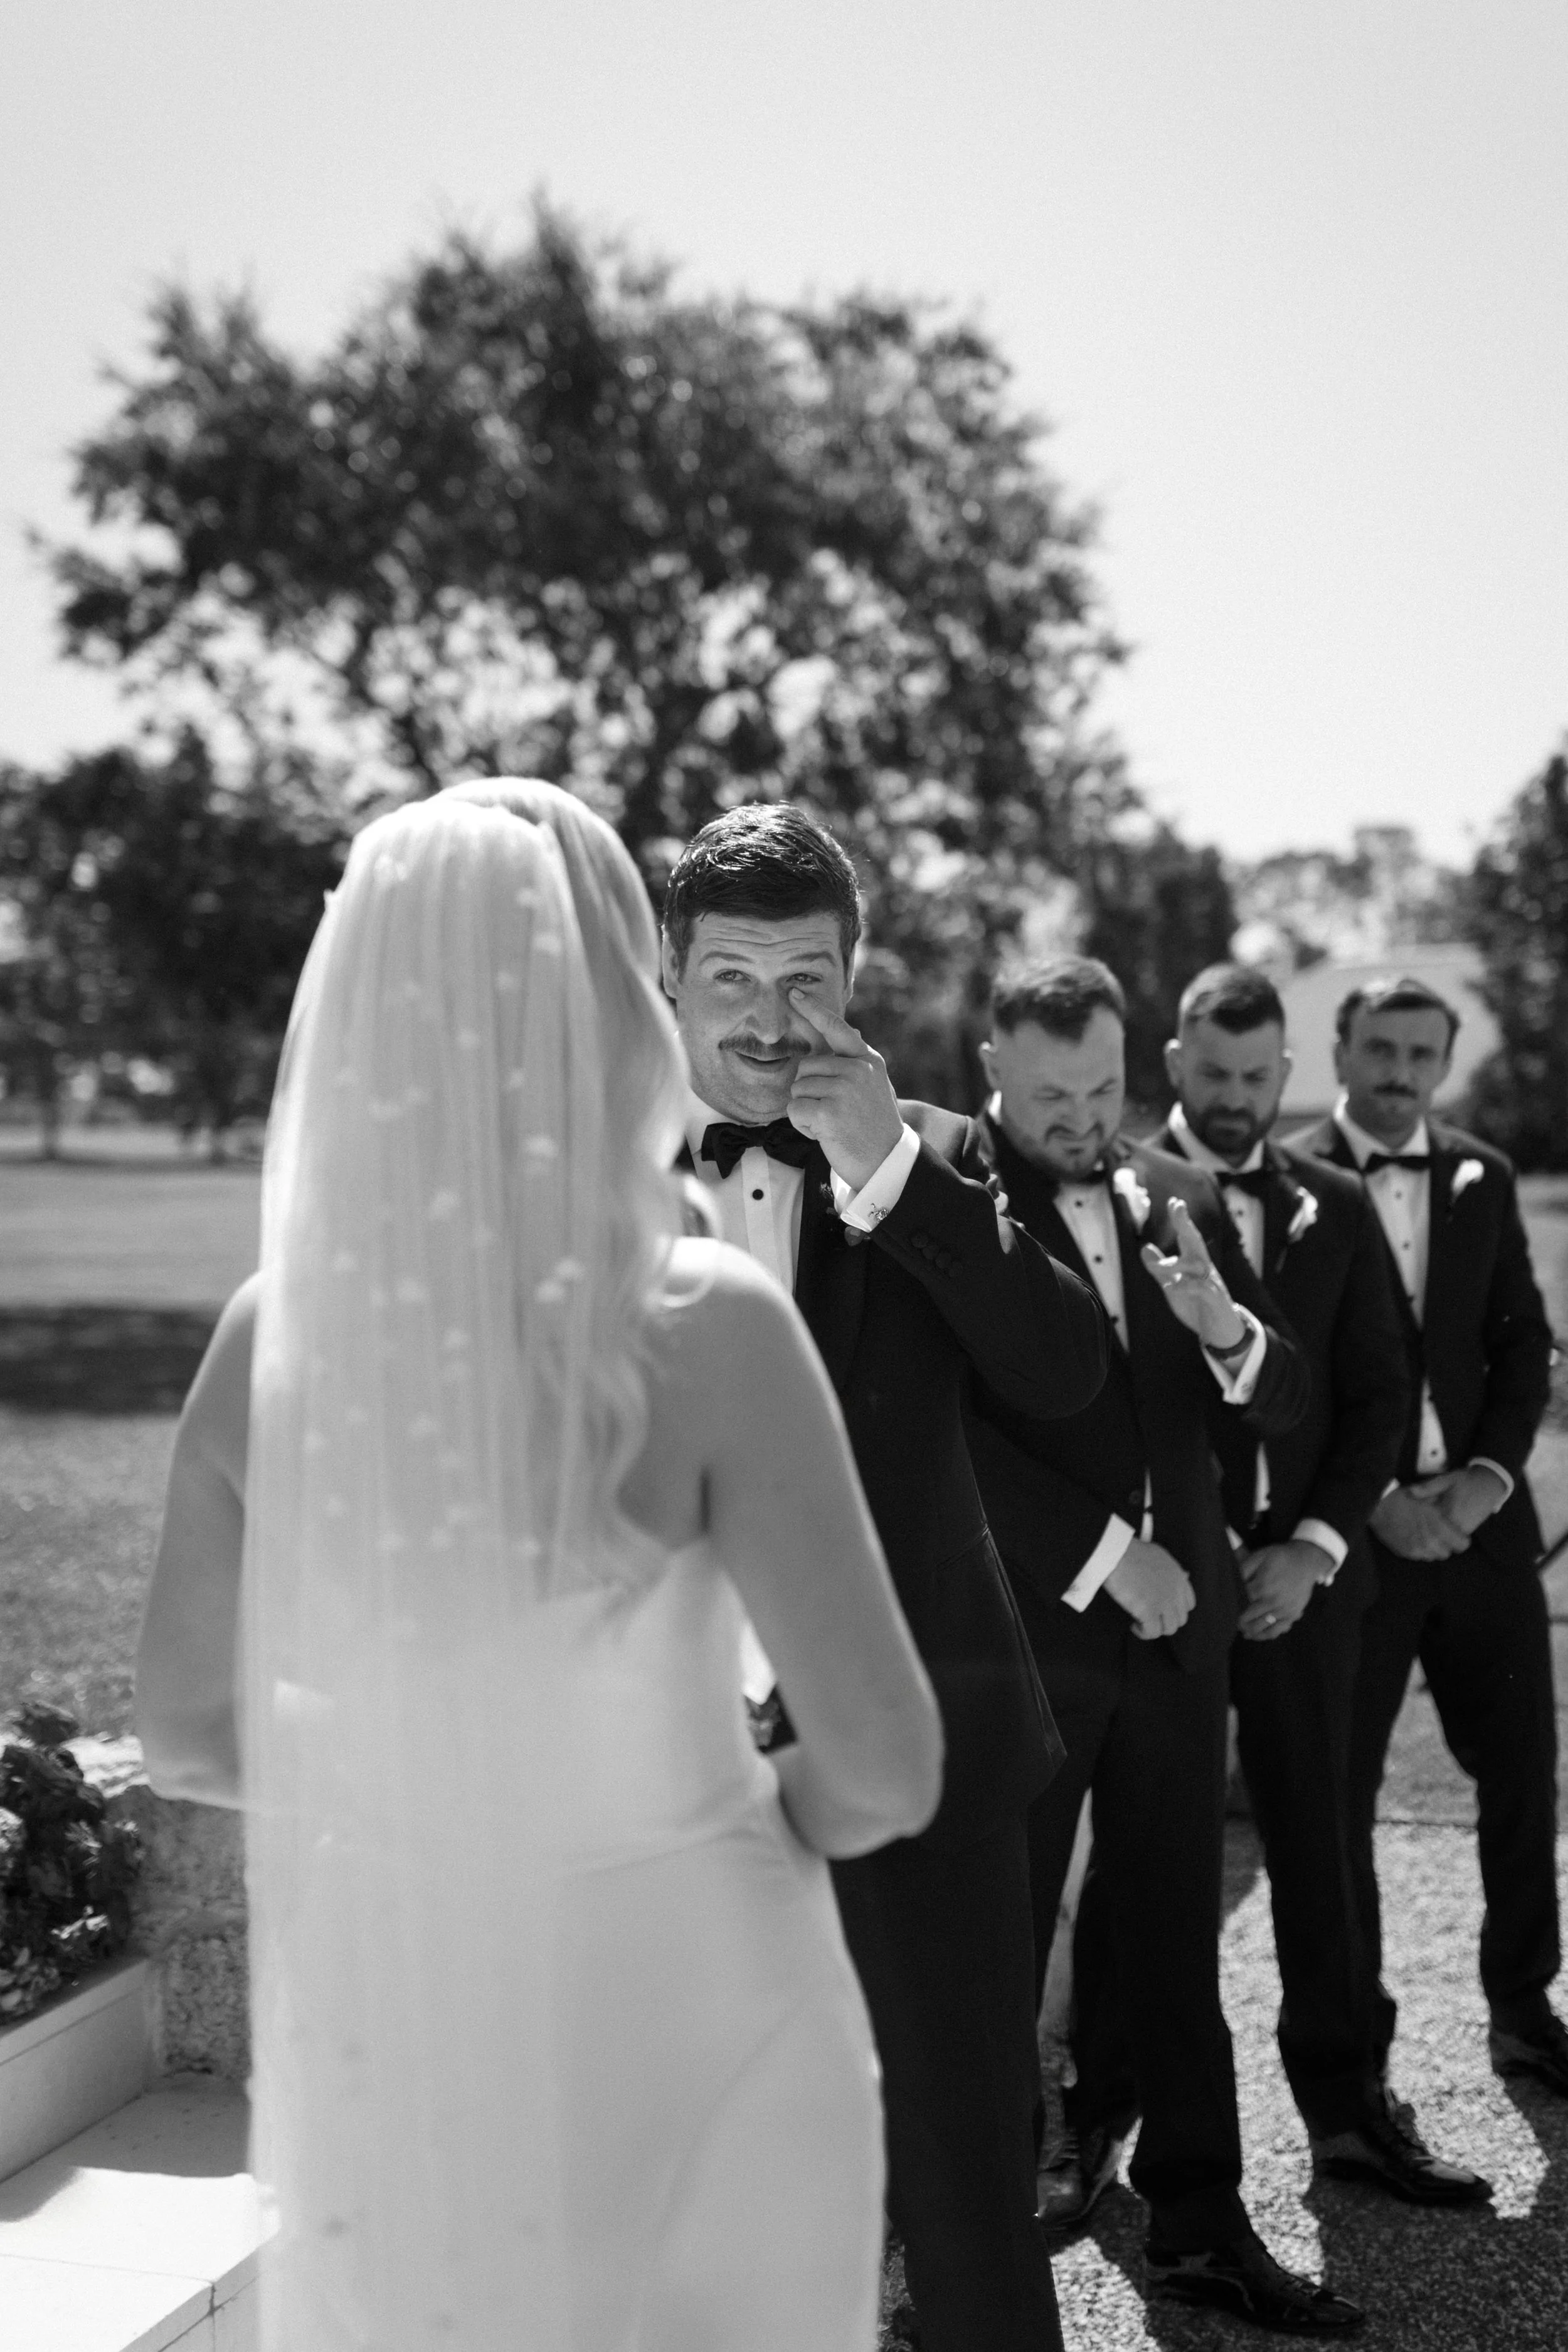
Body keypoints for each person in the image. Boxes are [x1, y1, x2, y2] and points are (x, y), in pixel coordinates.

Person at [135, 783, 945, 2352]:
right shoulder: (703, 1324)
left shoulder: (263, 1339)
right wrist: (720, 1820)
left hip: (423, 2030)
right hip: (708, 2002)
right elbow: (888, 1768)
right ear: (605, 1011)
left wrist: (440, 1788)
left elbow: (185, 1733)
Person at [659, 803, 1109, 2352]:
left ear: (855, 985)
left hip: (925, 1763)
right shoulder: (578, 1171)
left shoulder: (945, 1159)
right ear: (667, 979)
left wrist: (893, 1178)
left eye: (806, 983)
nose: (770, 1024)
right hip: (659, 1779)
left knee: (967, 2190)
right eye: (730, 981)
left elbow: (1066, 1379)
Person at [962, 955, 1364, 2338]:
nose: (1084, 1120)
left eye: (1102, 1088)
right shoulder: (948, 1208)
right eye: (1051, 1094)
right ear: (993, 1074)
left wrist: (1227, 1330)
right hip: (1031, 1642)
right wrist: (1099, 1561)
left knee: (1176, 1944)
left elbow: (1283, 1407)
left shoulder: (1181, 1199)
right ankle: (963, 2258)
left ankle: (1199, 2227)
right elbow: (944, 1442)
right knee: (995, 1953)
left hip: (1180, 1640)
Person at [1147, 960, 1488, 2202]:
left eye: (1254, 1078)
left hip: (1304, 1584)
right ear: (1172, 1063)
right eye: (1210, 1074)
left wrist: (1311, 1549)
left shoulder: (1332, 1203)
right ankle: (1108, 2123)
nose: (1232, 1100)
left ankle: (1347, 2114)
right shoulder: (1114, 1190)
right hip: (1161, 1595)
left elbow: (1377, 1398)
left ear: (1282, 1075)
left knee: (1322, 1848)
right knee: (1150, 1862)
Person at [1293, 975, 1562, 2099]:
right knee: (1342, 1791)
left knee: (1521, 1774)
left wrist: (1487, 1482)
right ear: (1343, 1049)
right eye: (1382, 1049)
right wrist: (1379, 1503)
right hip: (1354, 1543)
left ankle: (1521, 2005)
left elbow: (1523, 1344)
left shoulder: (1482, 1176)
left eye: (1423, 1054)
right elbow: (1288, 1379)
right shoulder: (1291, 1182)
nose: (1402, 1073)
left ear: (1443, 1063)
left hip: (1487, 1532)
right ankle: (1362, 2039)